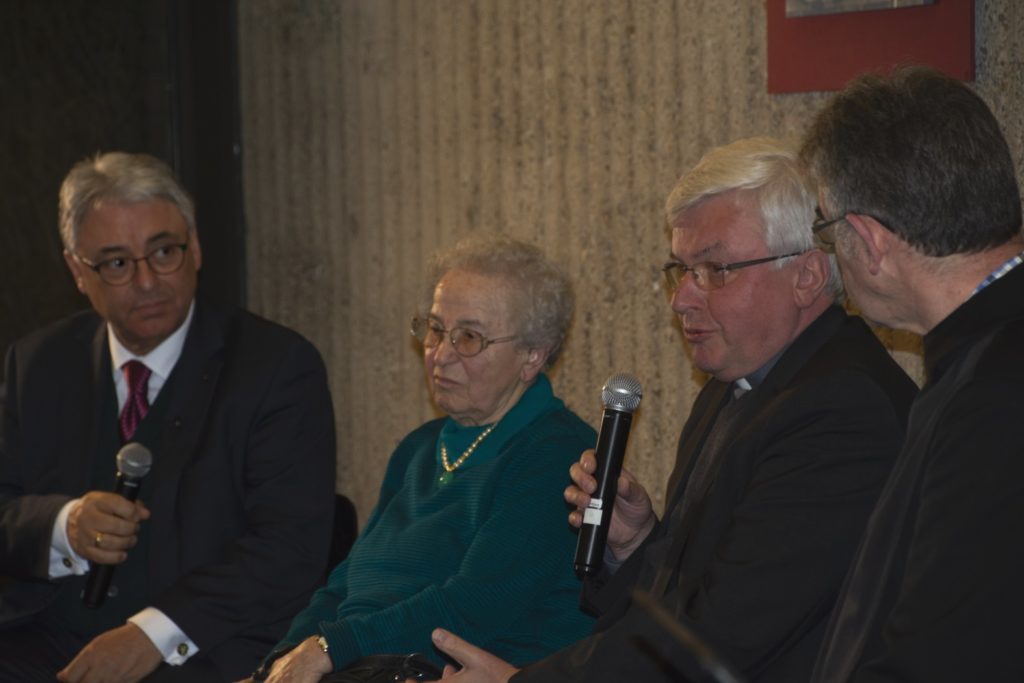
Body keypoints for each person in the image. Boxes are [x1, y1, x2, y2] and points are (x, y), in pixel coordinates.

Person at [420, 138, 918, 683]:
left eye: (715, 270)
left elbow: (721, 637)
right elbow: (689, 603)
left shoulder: (842, 413)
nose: (681, 298)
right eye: (681, 269)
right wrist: (637, 544)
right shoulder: (731, 388)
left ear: (807, 275)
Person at [0, 152, 337, 683]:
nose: (147, 281)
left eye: (163, 252)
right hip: (46, 640)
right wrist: (64, 526)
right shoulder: (38, 363)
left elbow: (289, 548)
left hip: (202, 649)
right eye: (116, 263)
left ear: (194, 247)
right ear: (77, 271)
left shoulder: (276, 367)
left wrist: (151, 634)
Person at [247, 234, 596, 683]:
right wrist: (276, 665)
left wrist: (332, 648)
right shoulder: (419, 448)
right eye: (434, 329)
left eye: (468, 337)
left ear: (533, 356)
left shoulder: (558, 453)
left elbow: (473, 607)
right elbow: (344, 587)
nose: (440, 355)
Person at [800, 67, 1024, 681]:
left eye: (827, 230)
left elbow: (947, 655)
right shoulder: (986, 357)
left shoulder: (993, 397)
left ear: (869, 242)